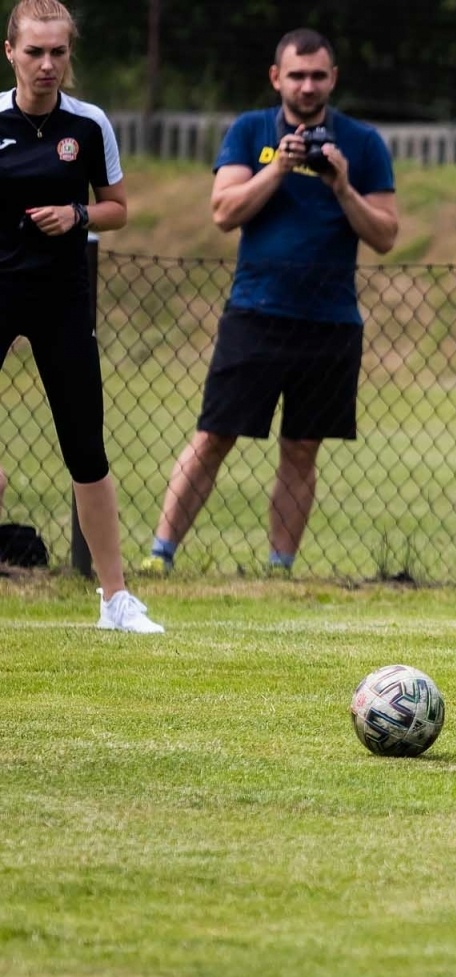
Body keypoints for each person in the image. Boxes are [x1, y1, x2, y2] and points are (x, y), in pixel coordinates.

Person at [141, 28, 397, 576]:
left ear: (333, 78)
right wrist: (278, 168)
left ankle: (279, 567)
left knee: (302, 447)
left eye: (318, 75)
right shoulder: (249, 130)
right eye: (297, 75)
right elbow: (223, 212)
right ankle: (160, 554)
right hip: (256, 311)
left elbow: (385, 236)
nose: (307, 86)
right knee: (214, 436)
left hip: (330, 320)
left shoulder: (363, 142)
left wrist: (343, 186)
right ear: (276, 77)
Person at [0, 0, 160, 631]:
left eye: (58, 52)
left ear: (70, 55)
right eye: (34, 52)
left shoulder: (89, 125)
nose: (47, 65)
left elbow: (119, 206)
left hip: (63, 302)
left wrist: (79, 217)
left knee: (85, 450)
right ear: (9, 52)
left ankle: (115, 599)